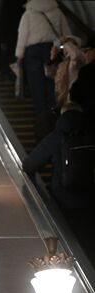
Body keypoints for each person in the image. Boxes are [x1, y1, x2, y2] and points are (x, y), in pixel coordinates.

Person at [22, 102, 95, 255]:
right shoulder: (91, 133)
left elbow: (29, 165)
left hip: (64, 202)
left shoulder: (57, 137)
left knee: (72, 244)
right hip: (90, 201)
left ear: (62, 116)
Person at [15, 0, 71, 116]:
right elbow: (66, 33)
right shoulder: (57, 12)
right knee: (53, 82)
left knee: (36, 83)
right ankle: (54, 112)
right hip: (53, 50)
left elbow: (22, 35)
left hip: (32, 52)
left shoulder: (28, 14)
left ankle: (41, 114)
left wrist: (19, 55)